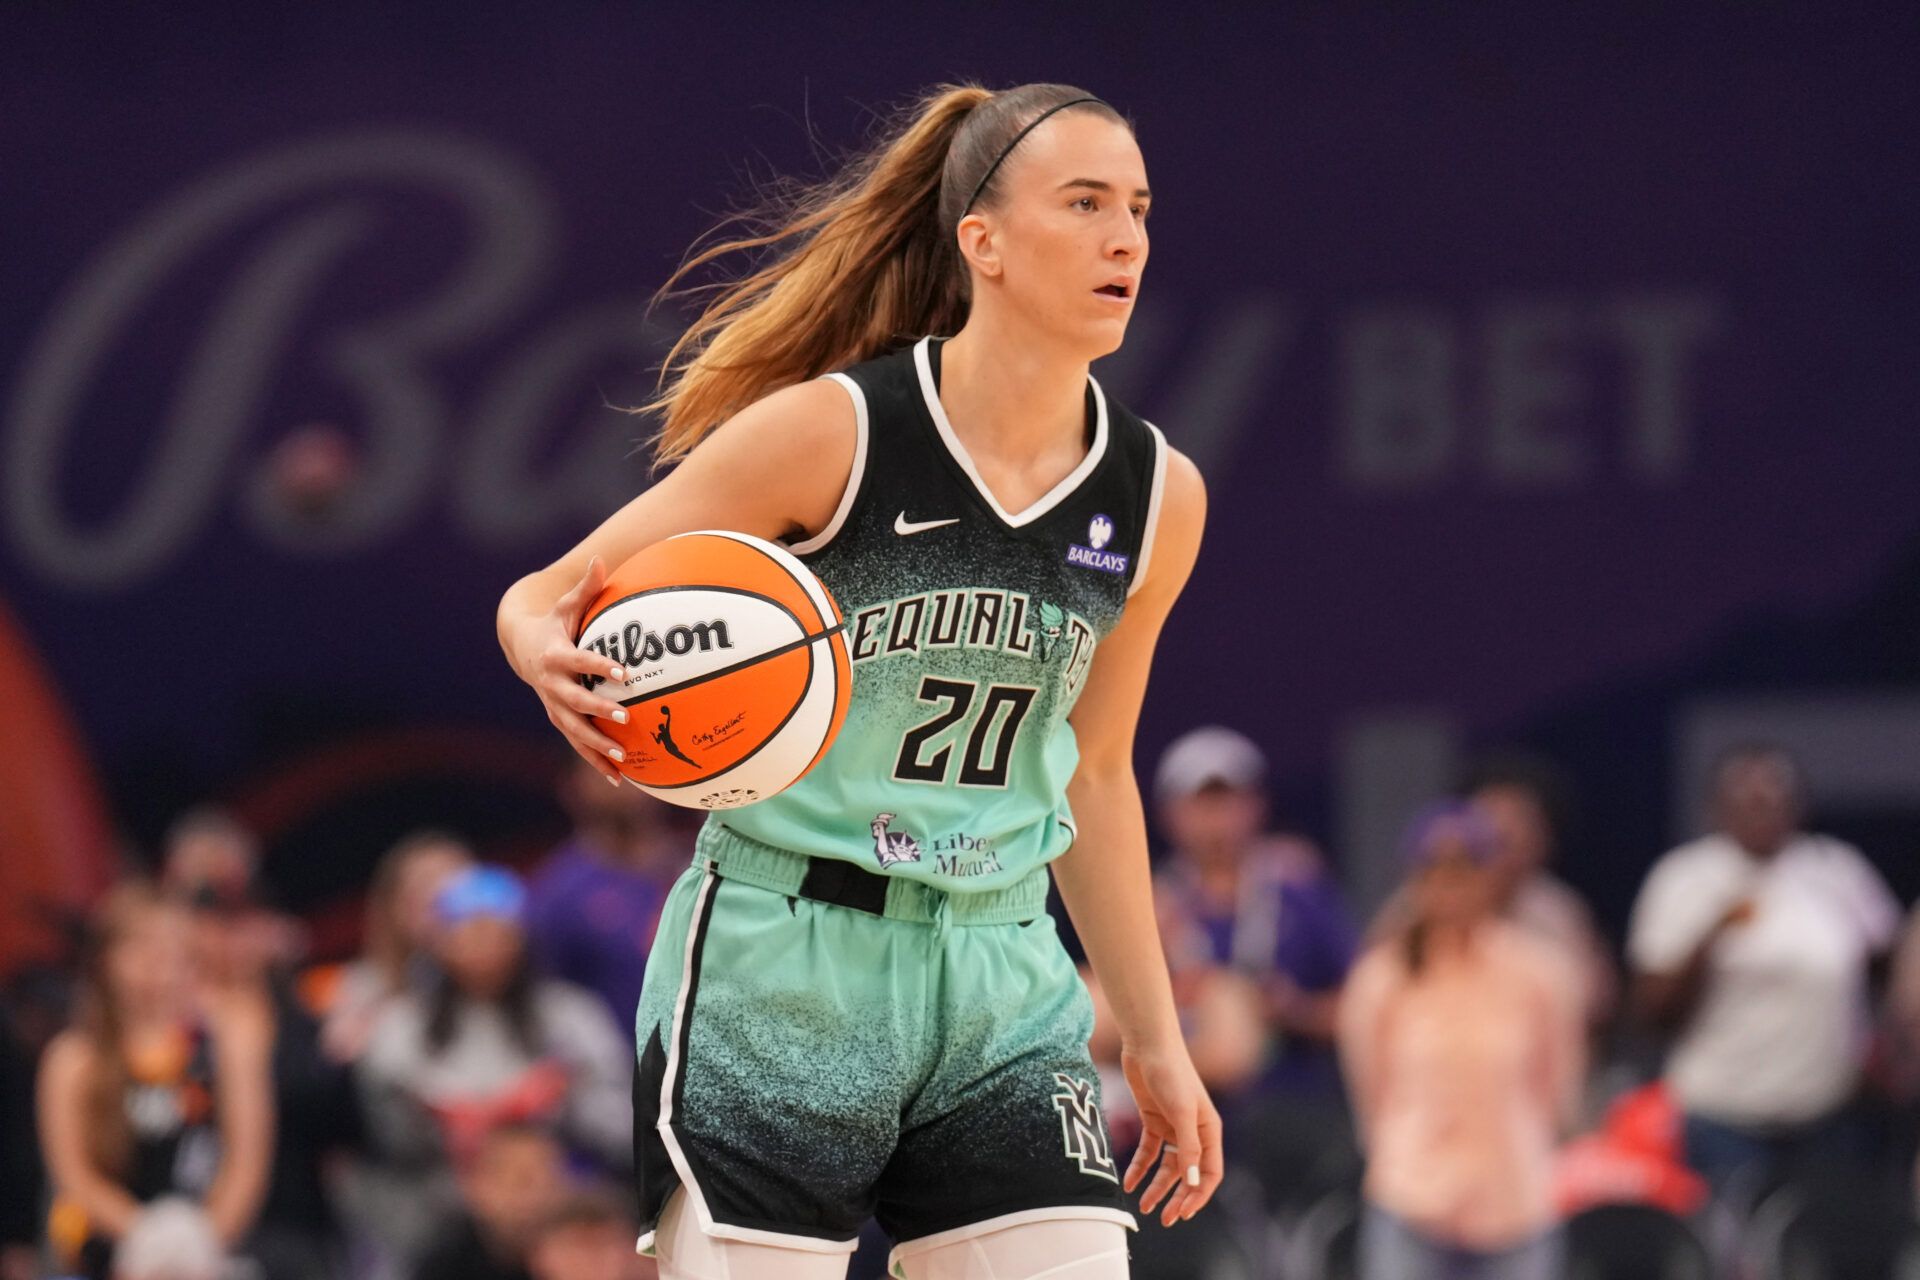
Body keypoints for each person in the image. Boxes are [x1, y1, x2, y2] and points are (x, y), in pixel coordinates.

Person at [496, 81, 1218, 1279]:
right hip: (785, 955)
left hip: (1003, 973)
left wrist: (1153, 1037)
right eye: (1085, 202)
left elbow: (1093, 771)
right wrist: (538, 648)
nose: (1126, 237)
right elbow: (554, 589)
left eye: (1139, 208)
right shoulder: (838, 432)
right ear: (979, 240)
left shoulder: (1154, 495)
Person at [1627, 743, 1901, 1200]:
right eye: (1748, 801)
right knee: (1735, 1257)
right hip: (1724, 1114)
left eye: (1776, 798)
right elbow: (1650, 1010)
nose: (1763, 811)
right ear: (1717, 808)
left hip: (1827, 1110)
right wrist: (1710, 936)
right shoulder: (1685, 877)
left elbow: (1890, 965)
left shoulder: (1836, 869)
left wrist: (1883, 1047)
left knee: (1822, 1252)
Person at [1337, 803, 1583, 1280]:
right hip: (1412, 1199)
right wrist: (1404, 1157)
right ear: (1414, 878)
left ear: (1493, 876)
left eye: (1466, 869)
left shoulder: (1540, 973)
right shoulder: (1382, 978)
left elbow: (1558, 1089)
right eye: (1436, 870)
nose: (1451, 886)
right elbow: (1371, 1094)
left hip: (1514, 1202)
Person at [356, 866, 632, 1271]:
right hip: (445, 1212)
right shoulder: (399, 1030)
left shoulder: (572, 1017)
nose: (484, 943)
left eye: (497, 928)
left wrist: (564, 1098)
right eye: (468, 929)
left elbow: (625, 1126)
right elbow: (381, 1135)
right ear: (439, 940)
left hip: (561, 1199)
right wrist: (438, 1124)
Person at [36, 883, 275, 1280]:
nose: (157, 961)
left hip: (209, 1247)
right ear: (105, 960)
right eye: (140, 946)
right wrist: (147, 1237)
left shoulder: (225, 1043)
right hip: (107, 1250)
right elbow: (72, 1174)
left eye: (170, 945)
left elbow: (247, 1161)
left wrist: (198, 1241)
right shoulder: (74, 1058)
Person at [525, 757, 684, 1030]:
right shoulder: (559, 892)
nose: (623, 782)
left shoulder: (699, 865)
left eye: (636, 765)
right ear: (572, 787)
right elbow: (545, 1001)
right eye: (605, 768)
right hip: (618, 1063)